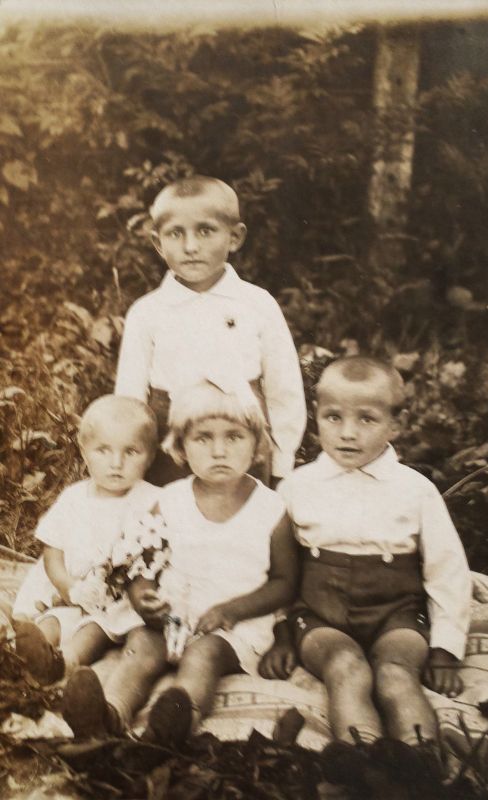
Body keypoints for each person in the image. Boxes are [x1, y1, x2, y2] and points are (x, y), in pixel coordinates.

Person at [61, 378, 299, 744]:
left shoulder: (270, 508)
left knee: (204, 655)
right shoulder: (170, 500)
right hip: (171, 616)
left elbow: (285, 582)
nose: (219, 451)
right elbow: (140, 562)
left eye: (234, 437)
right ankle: (109, 714)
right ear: (181, 447)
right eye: (203, 438)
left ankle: (174, 725)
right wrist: (143, 597)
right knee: (141, 646)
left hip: (232, 626)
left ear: (257, 445)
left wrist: (232, 610)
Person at [259, 356, 472, 750]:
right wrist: (281, 635)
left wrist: (445, 649)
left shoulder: (415, 490)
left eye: (367, 419)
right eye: (333, 417)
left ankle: (419, 761)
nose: (348, 433)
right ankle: (360, 761)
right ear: (316, 415)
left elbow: (447, 571)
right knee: (346, 669)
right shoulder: (296, 488)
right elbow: (274, 570)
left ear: (396, 424)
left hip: (396, 615)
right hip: (320, 618)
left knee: (395, 675)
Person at [115, 174, 306, 487]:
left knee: (244, 513)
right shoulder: (147, 312)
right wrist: (131, 458)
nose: (191, 247)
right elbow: (129, 400)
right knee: (171, 514)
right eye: (175, 233)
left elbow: (284, 390)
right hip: (169, 446)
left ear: (235, 237)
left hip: (243, 438)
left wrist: (282, 463)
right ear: (158, 243)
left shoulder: (257, 304)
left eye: (205, 231)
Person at [11, 395, 160, 685]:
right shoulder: (74, 498)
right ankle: (33, 655)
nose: (116, 463)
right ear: (84, 451)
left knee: (94, 630)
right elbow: (52, 553)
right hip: (70, 588)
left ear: (151, 455)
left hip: (116, 600)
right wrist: (69, 588)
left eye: (131, 452)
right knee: (52, 620)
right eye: (103, 450)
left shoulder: (154, 500)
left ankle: (64, 663)